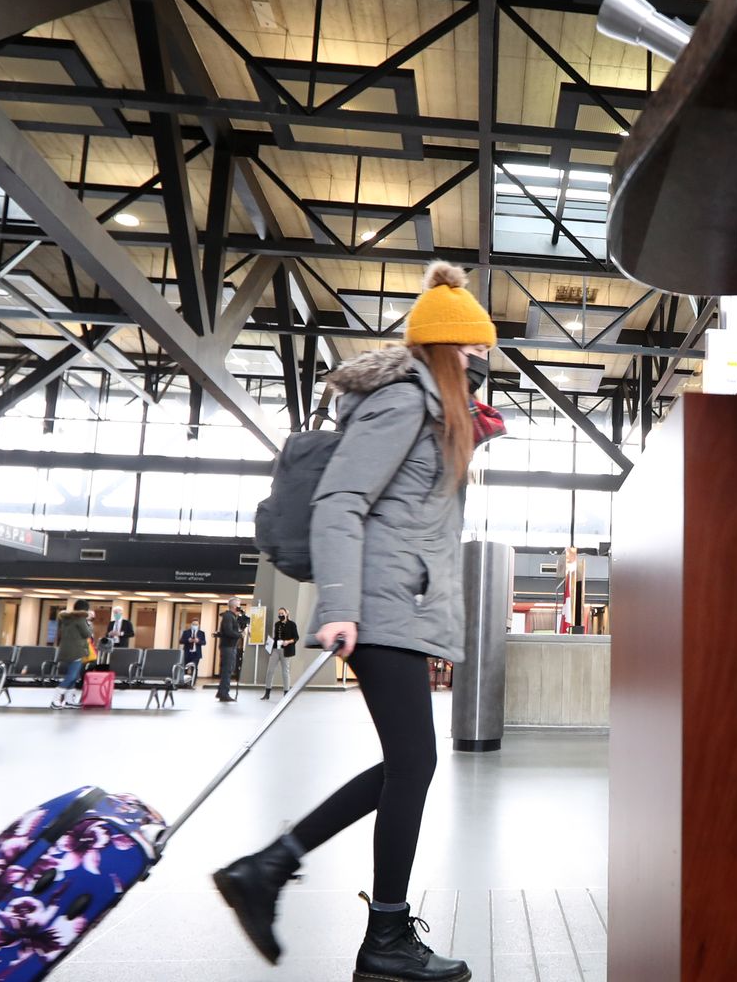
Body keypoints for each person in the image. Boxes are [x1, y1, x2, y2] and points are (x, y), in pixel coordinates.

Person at [213, 261, 495, 982]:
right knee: (416, 762)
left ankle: (278, 875)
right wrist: (339, 607)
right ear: (441, 350)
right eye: (469, 351)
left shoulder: (431, 412)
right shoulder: (402, 403)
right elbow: (341, 501)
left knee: (411, 762)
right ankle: (375, 934)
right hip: (377, 605)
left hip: (399, 601)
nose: (479, 363)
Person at [50, 599, 95, 710]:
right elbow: (87, 634)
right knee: (72, 676)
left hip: (66, 649)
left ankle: (69, 700)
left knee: (73, 676)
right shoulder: (80, 619)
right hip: (76, 650)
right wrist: (88, 622)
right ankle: (56, 698)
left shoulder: (67, 619)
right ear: (85, 609)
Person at [261, 607, 299, 699]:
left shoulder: (292, 624)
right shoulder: (277, 624)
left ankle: (286, 693)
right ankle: (267, 692)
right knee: (270, 671)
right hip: (275, 649)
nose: (280, 615)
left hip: (286, 650)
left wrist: (288, 642)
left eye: (282, 613)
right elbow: (276, 637)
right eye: (279, 614)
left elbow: (296, 637)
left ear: (286, 613)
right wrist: (270, 643)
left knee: (285, 672)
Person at [215, 597, 246, 703]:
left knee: (227, 670)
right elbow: (228, 632)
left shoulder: (232, 617)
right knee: (227, 670)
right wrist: (240, 634)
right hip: (228, 647)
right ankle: (224, 693)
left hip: (230, 647)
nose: (240, 607)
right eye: (239, 605)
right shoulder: (228, 617)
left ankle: (221, 691)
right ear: (234, 606)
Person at [179, 616, 208, 686]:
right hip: (187, 653)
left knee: (194, 668)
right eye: (193, 624)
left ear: (198, 625)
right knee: (185, 668)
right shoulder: (186, 632)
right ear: (191, 624)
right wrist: (188, 640)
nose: (195, 625)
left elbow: (204, 642)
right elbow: (181, 641)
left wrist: (198, 641)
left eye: (196, 624)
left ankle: (192, 683)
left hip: (196, 653)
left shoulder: (201, 633)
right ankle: (184, 682)